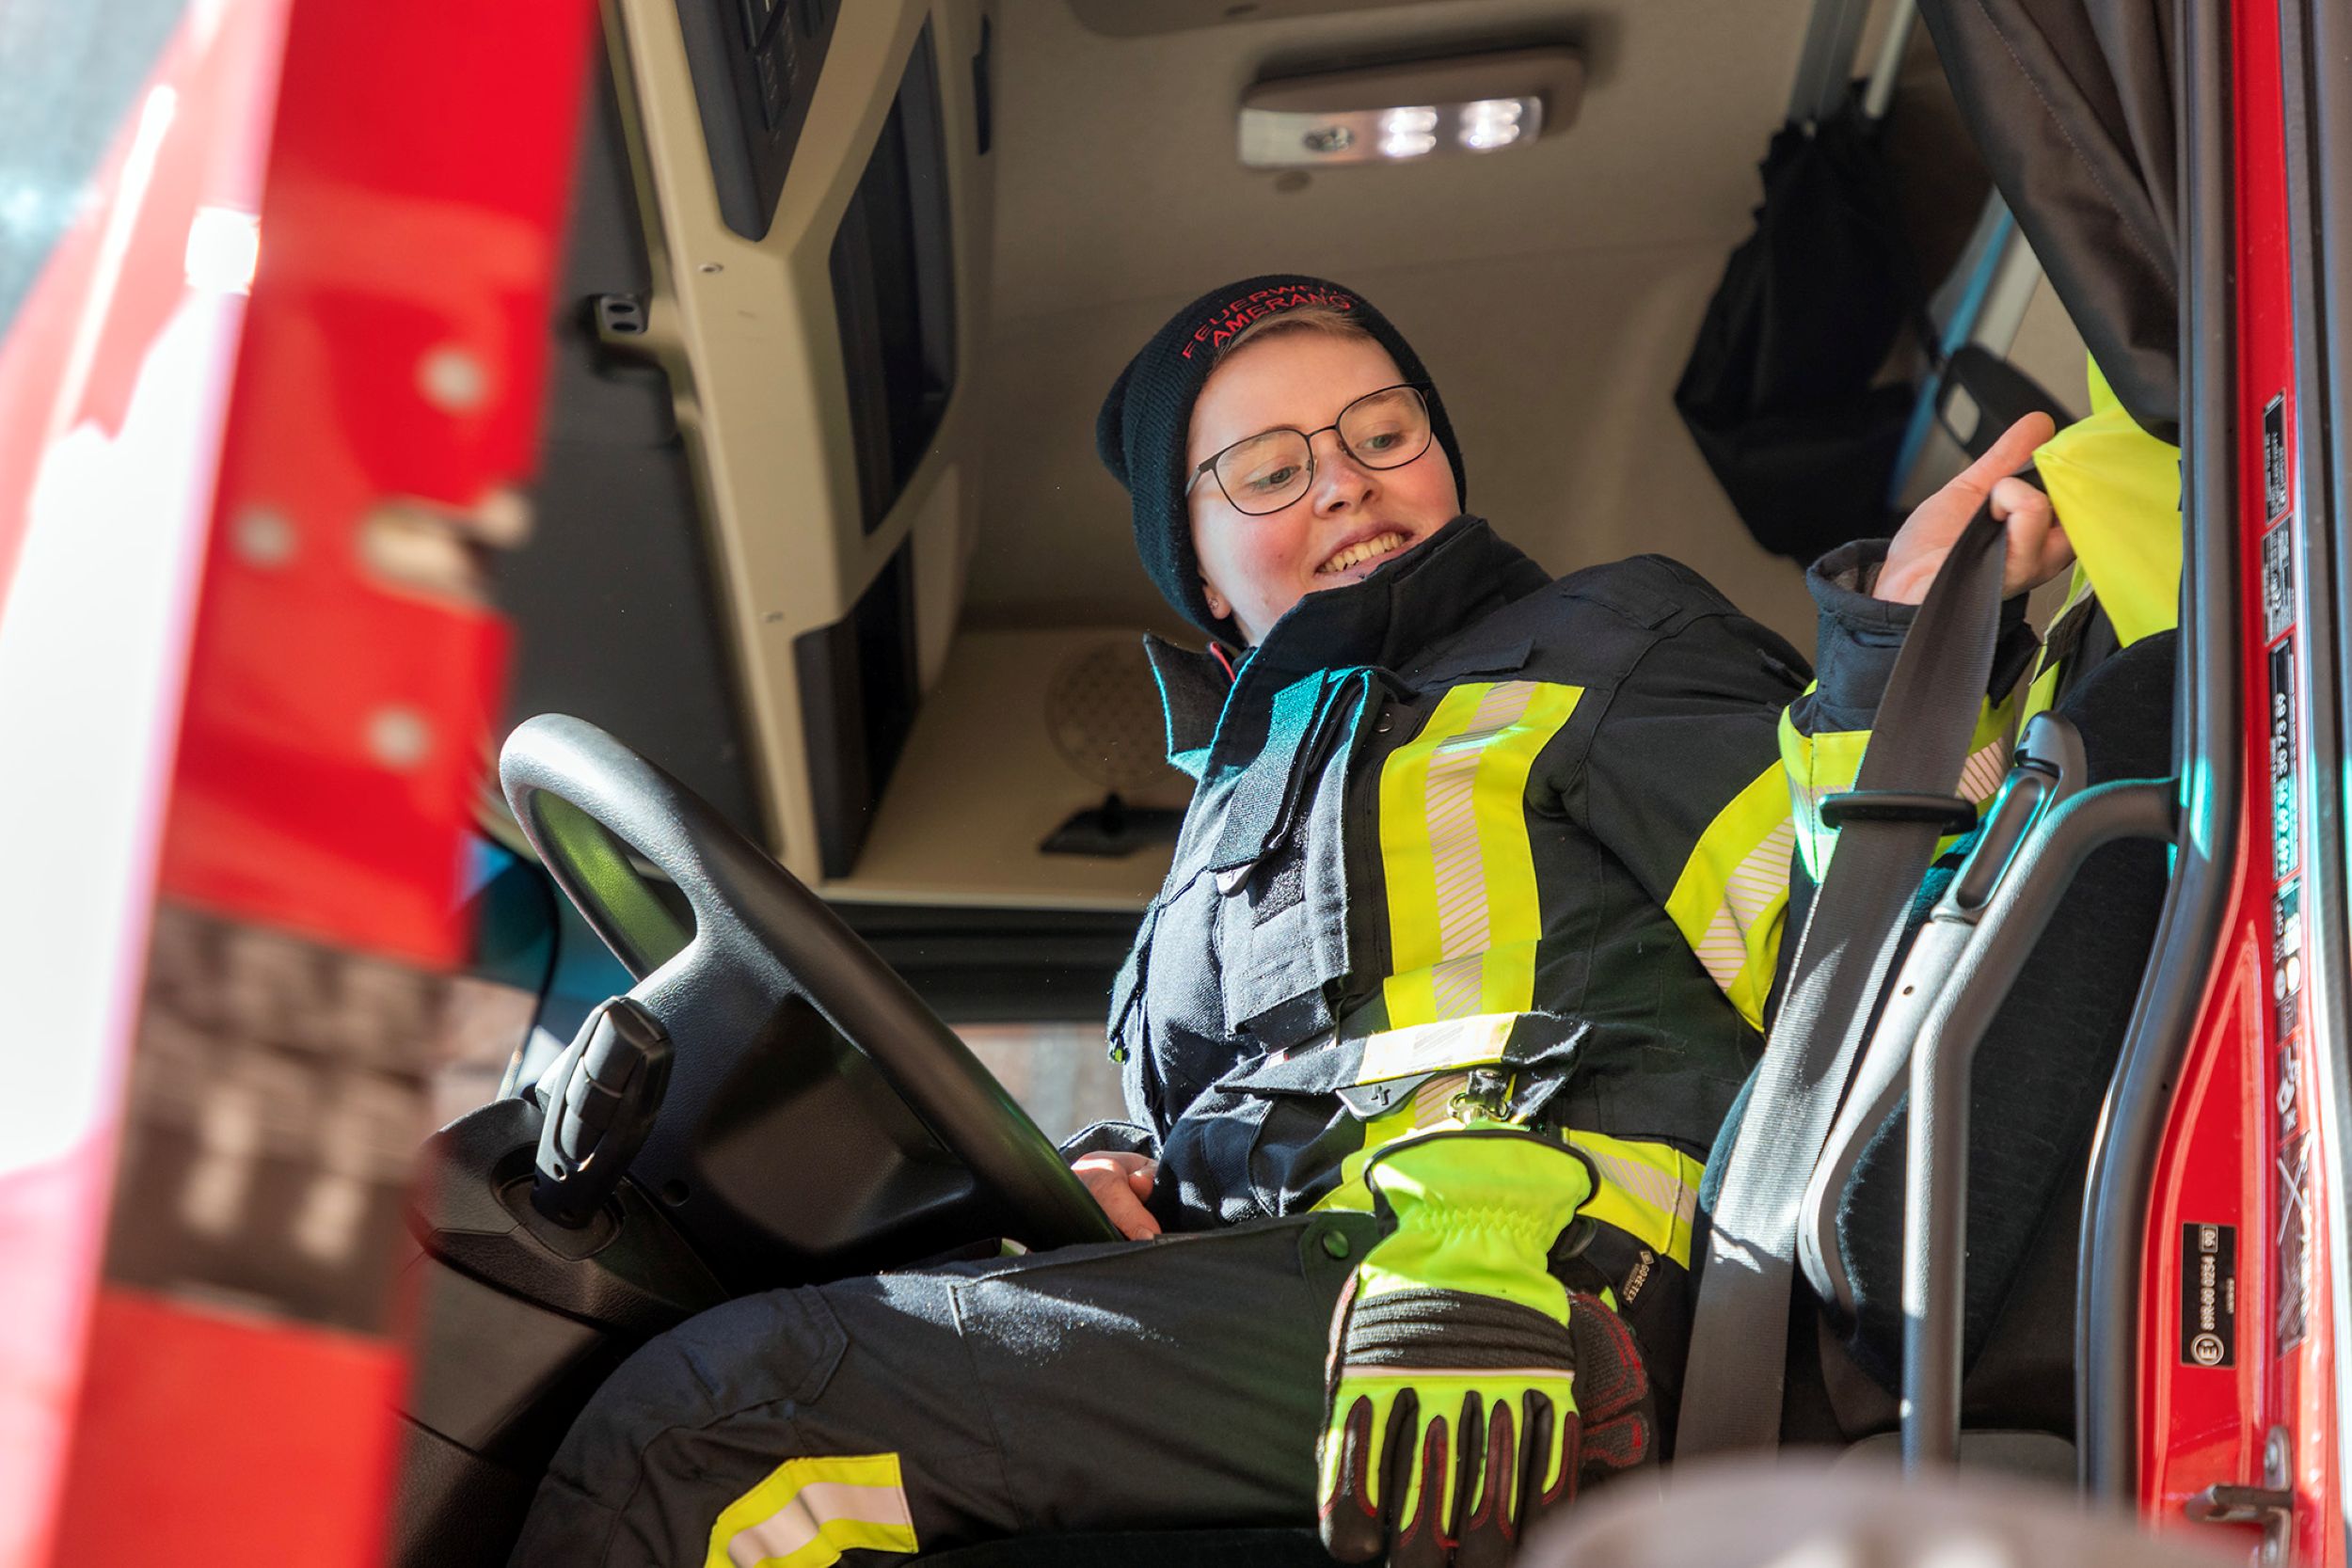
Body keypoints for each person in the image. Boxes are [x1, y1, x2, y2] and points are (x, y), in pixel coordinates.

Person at [506, 276, 2064, 1568]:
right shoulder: (1201, 873)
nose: (1344, 481)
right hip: (1308, 1308)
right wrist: (1114, 1173)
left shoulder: (1608, 641)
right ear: (1195, 564)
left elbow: (1854, 959)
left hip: (1536, 1309)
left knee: (714, 1427)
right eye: (1266, 468)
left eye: (1382, 433)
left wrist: (1902, 649)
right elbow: (1242, 1116)